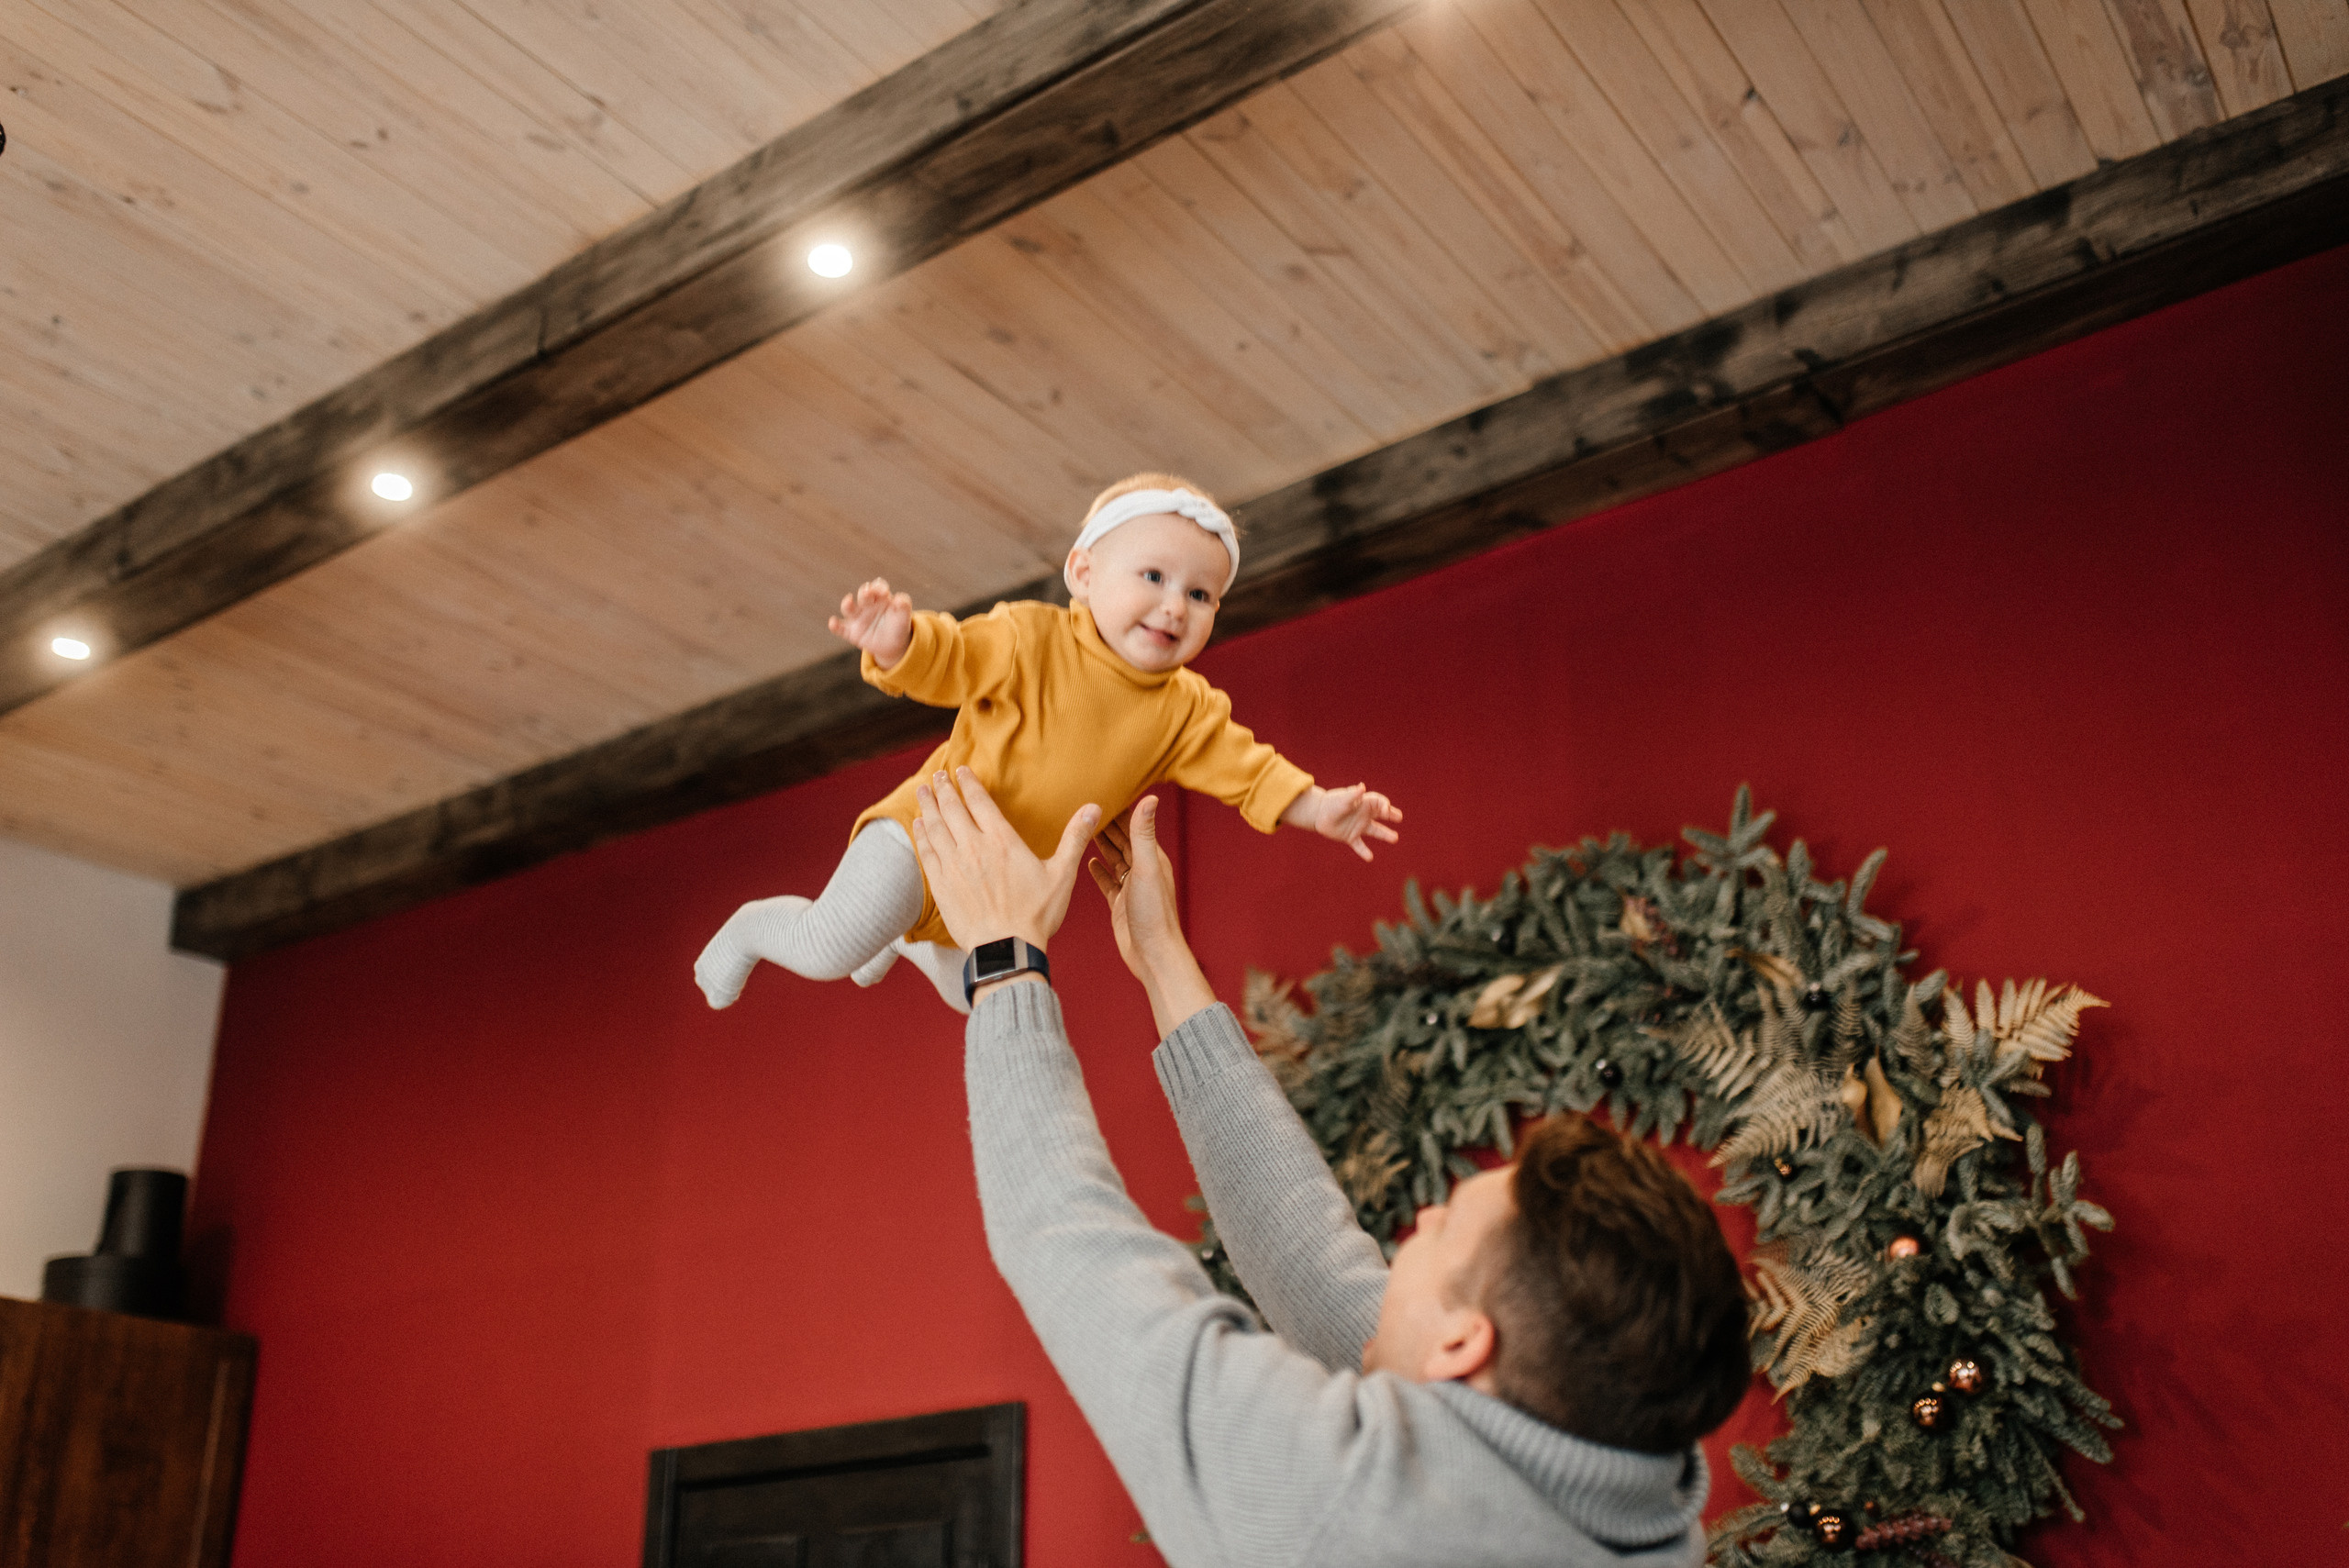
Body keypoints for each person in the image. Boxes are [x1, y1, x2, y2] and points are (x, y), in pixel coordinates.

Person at [906, 765, 1754, 1567]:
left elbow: (1069, 1246)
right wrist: (1165, 963)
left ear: (1465, 1341)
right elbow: (1316, 1268)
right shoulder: (1623, 1477)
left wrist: (1006, 957)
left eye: (1445, 1224)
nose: (1420, 1223)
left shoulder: (1350, 1511)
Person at [693, 473, 1403, 1014]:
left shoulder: (1185, 710)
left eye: (1201, 595)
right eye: (1153, 577)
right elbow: (954, 659)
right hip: (926, 835)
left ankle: (906, 936)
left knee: (986, 1000)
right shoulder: (1031, 638)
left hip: (1001, 885)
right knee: (829, 947)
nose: (1173, 606)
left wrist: (1315, 807)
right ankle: (752, 927)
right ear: (1083, 574)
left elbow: (1247, 770)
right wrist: (902, 641)